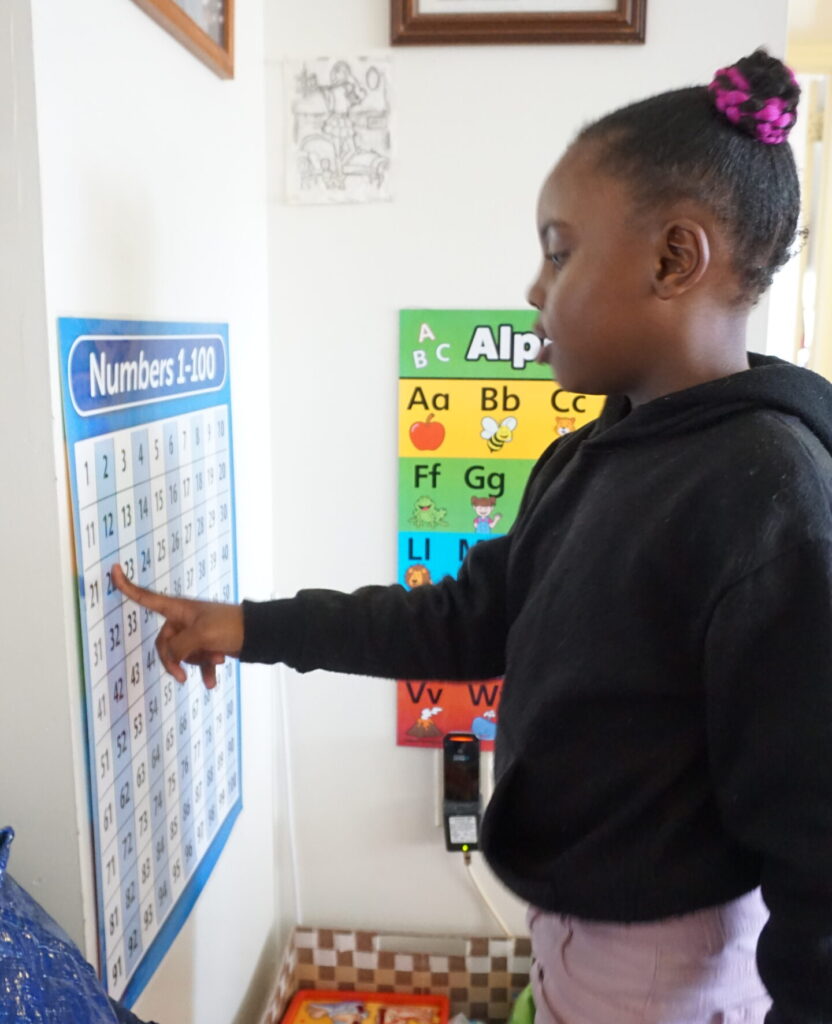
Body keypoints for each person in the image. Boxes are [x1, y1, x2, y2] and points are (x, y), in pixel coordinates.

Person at [113, 50, 832, 1023]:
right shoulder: (588, 457)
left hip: (670, 969)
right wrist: (246, 625)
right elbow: (463, 621)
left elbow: (816, 838)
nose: (535, 290)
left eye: (559, 250)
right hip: (574, 933)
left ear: (673, 259)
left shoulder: (771, 498)